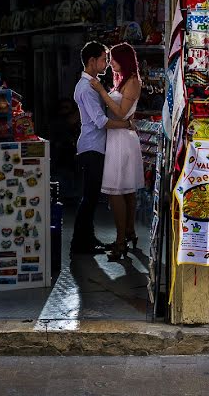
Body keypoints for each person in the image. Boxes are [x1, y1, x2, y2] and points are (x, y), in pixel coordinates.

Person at [71, 42, 135, 256]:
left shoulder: (95, 84)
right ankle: (79, 243)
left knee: (91, 197)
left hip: (97, 146)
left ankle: (87, 239)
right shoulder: (87, 88)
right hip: (92, 147)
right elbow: (100, 121)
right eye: (103, 59)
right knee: (89, 197)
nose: (107, 64)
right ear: (91, 61)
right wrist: (125, 125)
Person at [90, 43, 146, 261]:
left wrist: (102, 91)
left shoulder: (132, 82)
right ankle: (128, 233)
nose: (110, 62)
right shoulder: (123, 80)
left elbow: (122, 114)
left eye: (113, 58)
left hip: (122, 140)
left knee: (116, 192)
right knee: (128, 192)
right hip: (119, 138)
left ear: (124, 59)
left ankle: (121, 240)